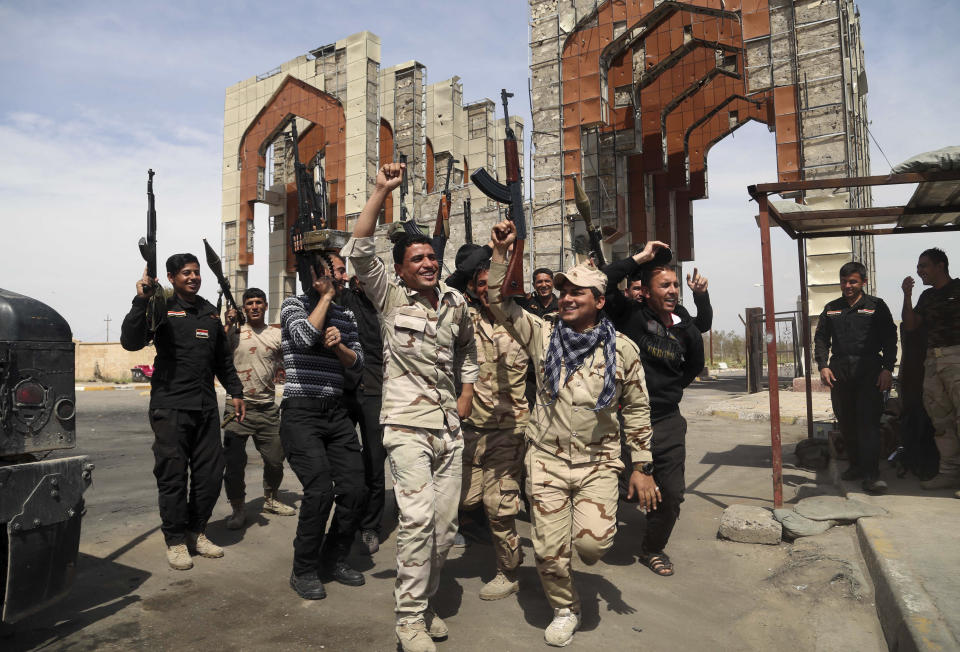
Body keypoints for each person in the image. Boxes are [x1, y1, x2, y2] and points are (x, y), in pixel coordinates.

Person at [487, 220, 656, 648]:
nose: (565, 298)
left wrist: (642, 466)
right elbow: (496, 300)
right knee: (547, 549)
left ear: (599, 301)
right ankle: (566, 608)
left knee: (593, 547)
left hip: (598, 462)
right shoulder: (543, 336)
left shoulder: (622, 350)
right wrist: (501, 254)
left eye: (575, 292)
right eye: (562, 291)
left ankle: (578, 558)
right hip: (545, 459)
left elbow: (636, 408)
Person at [341, 161, 478, 652]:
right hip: (406, 426)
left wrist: (465, 395)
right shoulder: (390, 298)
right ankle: (409, 622)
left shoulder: (455, 303)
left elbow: (469, 351)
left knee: (444, 531)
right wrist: (380, 190)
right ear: (399, 268)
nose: (426, 263)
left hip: (448, 429)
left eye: (430, 257)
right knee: (416, 522)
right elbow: (358, 249)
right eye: (416, 258)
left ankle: (423, 601)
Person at [121, 254, 245, 571]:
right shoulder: (160, 306)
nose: (193, 277)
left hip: (204, 407)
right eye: (186, 273)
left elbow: (222, 359)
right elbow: (131, 341)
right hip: (170, 405)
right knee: (173, 476)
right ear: (172, 277)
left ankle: (196, 531)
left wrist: (236, 391)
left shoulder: (208, 312)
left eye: (196, 272)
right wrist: (141, 300)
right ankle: (175, 540)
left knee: (209, 474)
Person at [602, 242, 703, 578]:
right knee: (620, 485)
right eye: (665, 285)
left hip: (667, 419)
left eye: (675, 285)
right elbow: (600, 282)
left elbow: (692, 368)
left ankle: (653, 548)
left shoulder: (685, 326)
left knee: (671, 492)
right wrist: (640, 259)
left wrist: (664, 392)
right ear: (645, 292)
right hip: (623, 417)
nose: (673, 290)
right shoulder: (629, 315)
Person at [279, 253, 366, 600]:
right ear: (317, 276)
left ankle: (334, 559)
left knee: (355, 489)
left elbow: (356, 361)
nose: (342, 277)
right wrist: (325, 297)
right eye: (336, 271)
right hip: (301, 413)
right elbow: (301, 337)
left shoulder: (346, 315)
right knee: (319, 490)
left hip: (336, 412)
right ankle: (304, 568)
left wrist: (339, 346)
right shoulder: (292, 305)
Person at [459, 258, 529, 600]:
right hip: (469, 432)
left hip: (508, 432)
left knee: (498, 507)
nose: (488, 289)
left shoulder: (524, 324)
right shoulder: (464, 320)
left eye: (495, 282)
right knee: (462, 499)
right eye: (482, 283)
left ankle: (508, 571)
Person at [814, 261, 897, 493]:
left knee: (868, 424)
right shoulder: (832, 308)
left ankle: (872, 475)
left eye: (853, 281)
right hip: (840, 372)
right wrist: (823, 365)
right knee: (848, 423)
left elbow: (891, 338)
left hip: (869, 370)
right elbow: (821, 338)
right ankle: (856, 466)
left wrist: (888, 368)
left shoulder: (876, 306)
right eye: (844, 281)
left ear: (863, 282)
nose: (847, 285)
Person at [220, 288, 296, 530]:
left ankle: (271, 499)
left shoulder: (277, 335)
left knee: (275, 460)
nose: (254, 306)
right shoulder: (234, 333)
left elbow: (293, 361)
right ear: (244, 307)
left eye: (258, 303)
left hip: (267, 408)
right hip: (237, 407)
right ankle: (238, 509)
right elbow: (215, 352)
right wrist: (227, 324)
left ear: (265, 306)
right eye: (249, 303)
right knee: (234, 463)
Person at [327, 253, 388, 554]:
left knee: (375, 463)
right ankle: (342, 521)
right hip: (344, 389)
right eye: (363, 275)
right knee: (340, 462)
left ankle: (370, 526)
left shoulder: (388, 305)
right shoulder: (345, 298)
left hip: (376, 391)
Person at [902, 247, 960, 494]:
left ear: (940, 266)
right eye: (918, 266)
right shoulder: (926, 297)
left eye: (924, 265)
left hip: (957, 356)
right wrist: (907, 295)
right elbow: (911, 325)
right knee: (941, 419)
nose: (919, 270)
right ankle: (948, 472)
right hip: (933, 361)